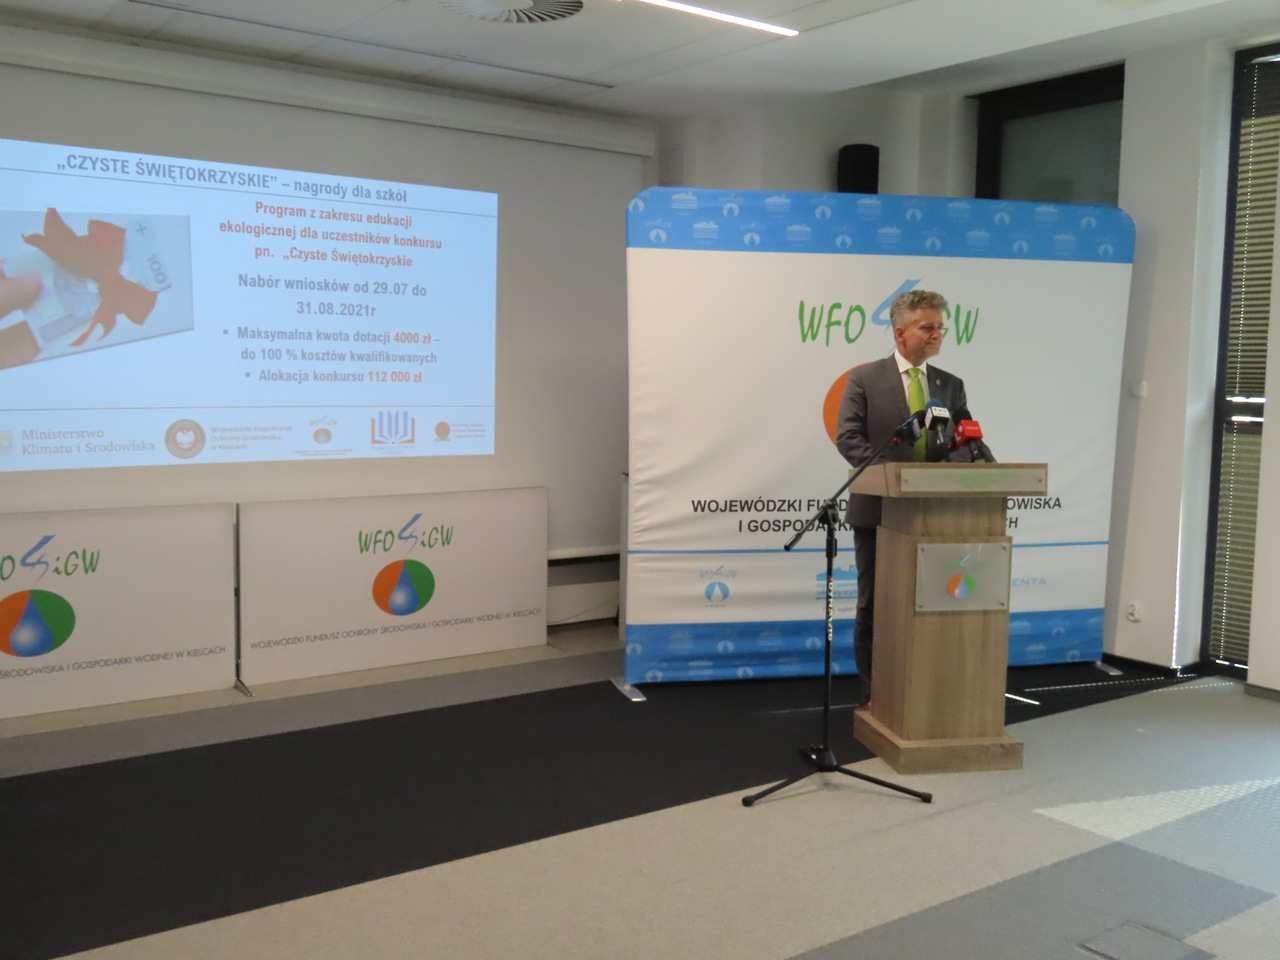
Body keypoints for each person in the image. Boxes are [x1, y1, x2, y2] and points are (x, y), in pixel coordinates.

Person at [835, 289, 972, 706]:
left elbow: (965, 441)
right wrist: (895, 478)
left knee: (932, 601)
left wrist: (946, 475)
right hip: (879, 510)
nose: (937, 334)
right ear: (900, 333)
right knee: (875, 604)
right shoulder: (864, 379)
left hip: (936, 512)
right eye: (927, 327)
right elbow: (849, 438)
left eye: (940, 327)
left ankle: (926, 689)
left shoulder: (950, 385)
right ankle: (876, 693)